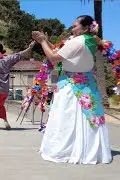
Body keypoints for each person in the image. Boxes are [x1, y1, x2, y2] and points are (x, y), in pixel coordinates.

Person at [32, 15, 112, 164]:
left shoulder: (77, 41)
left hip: (71, 85)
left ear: (85, 28)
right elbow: (61, 50)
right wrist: (45, 41)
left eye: (75, 25)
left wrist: (43, 42)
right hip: (87, 83)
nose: (72, 28)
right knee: (87, 119)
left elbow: (54, 57)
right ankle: (89, 150)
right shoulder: (92, 41)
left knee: (67, 118)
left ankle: (67, 150)